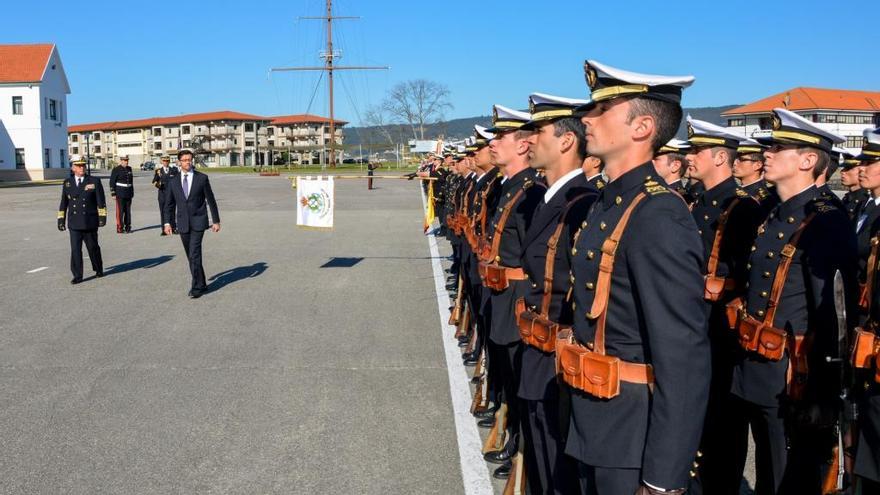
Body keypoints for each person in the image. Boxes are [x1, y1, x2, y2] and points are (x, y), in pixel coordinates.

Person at [565, 59, 710, 494]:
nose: (585, 119)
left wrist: (663, 478)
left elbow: (683, 357)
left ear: (642, 127)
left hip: (632, 439)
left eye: (600, 111)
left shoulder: (657, 214)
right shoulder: (609, 202)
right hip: (595, 419)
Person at [729, 107, 856, 493]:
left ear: (807, 160)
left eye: (779, 147)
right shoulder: (775, 211)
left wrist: (823, 390)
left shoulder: (825, 219)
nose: (766, 153)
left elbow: (834, 314)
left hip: (792, 376)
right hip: (756, 364)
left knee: (789, 476)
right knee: (768, 469)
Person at [520, 92, 597, 494]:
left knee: (560, 472)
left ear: (567, 141)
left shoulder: (582, 203)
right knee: (541, 459)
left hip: (559, 360)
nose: (528, 140)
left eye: (538, 131)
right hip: (537, 352)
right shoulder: (549, 199)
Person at [684, 117, 763, 495]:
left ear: (719, 157)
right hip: (693, 330)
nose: (689, 157)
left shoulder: (742, 209)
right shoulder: (697, 203)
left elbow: (748, 280)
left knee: (722, 429)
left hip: (720, 335)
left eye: (696, 150)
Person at [481, 104, 545, 480]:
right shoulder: (511, 188)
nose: (493, 143)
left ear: (522, 146)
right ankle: (514, 440)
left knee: (522, 384)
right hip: (500, 293)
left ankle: (521, 449)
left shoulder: (532, 192)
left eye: (501, 137)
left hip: (517, 298)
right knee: (508, 376)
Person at [163, 150, 221, 298]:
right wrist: (167, 223)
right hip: (182, 223)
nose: (187, 162)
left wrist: (216, 221)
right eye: (184, 160)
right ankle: (202, 283)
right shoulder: (173, 181)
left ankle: (196, 288)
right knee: (191, 255)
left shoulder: (202, 178)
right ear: (179, 162)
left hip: (199, 222)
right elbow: (169, 205)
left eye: (189, 159)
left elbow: (211, 200)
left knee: (194, 253)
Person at [58, 158, 106, 284]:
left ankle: (98, 268)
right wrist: (61, 219)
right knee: (75, 249)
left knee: (92, 247)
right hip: (74, 222)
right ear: (73, 168)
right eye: (78, 166)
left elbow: (101, 201)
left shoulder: (94, 181)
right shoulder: (67, 183)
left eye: (83, 166)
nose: (82, 168)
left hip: (89, 221)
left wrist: (102, 217)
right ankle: (77, 275)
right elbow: (64, 203)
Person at [152, 155, 177, 235]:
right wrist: (159, 185)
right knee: (163, 211)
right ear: (162, 162)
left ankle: (173, 228)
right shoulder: (158, 171)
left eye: (167, 161)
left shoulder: (174, 170)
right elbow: (154, 182)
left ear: (169, 161)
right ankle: (164, 229)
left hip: (172, 195)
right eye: (164, 161)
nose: (166, 162)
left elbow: (177, 180)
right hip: (162, 194)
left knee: (172, 211)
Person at [109, 155, 135, 233]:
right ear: (121, 161)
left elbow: (131, 181)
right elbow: (112, 182)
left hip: (128, 192)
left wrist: (132, 191)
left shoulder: (129, 169)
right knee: (120, 211)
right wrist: (113, 193)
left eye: (127, 160)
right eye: (124, 160)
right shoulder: (116, 169)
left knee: (128, 211)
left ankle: (128, 227)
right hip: (120, 193)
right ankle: (120, 227)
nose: (126, 162)